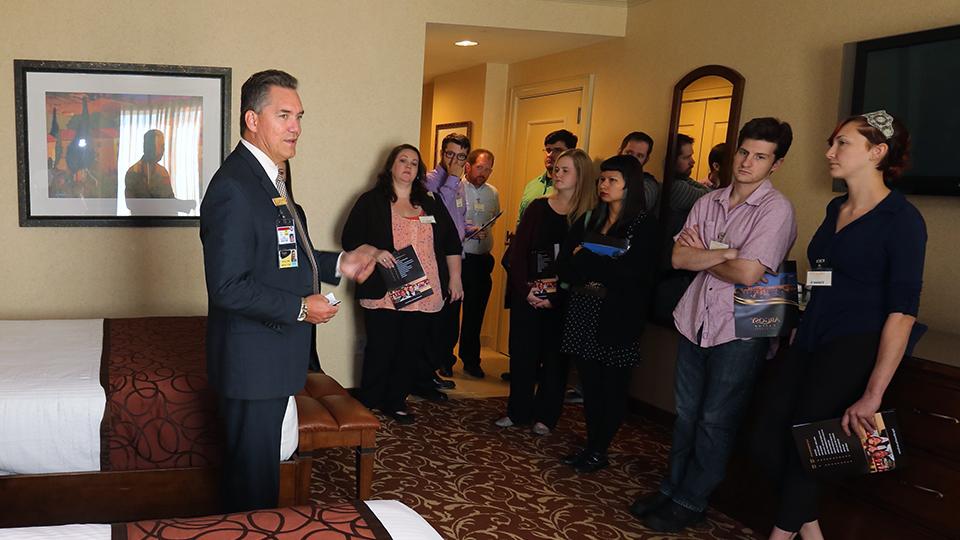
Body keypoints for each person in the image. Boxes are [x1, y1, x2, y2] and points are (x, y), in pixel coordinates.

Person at [200, 69, 376, 513]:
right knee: (251, 488)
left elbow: (284, 251)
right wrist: (300, 308)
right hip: (251, 364)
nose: (295, 127)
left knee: (260, 481)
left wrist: (340, 262)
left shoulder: (271, 177)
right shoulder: (234, 188)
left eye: (299, 116)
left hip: (271, 362)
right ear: (252, 120)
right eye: (284, 115)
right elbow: (227, 286)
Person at [754, 111, 925, 540]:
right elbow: (824, 271)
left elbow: (903, 312)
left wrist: (873, 394)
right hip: (812, 335)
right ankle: (810, 529)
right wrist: (798, 316)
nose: (830, 152)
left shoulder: (902, 221)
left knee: (809, 446)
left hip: (855, 344)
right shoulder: (836, 208)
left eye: (842, 144)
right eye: (832, 143)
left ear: (877, 152)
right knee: (764, 436)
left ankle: (782, 534)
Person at [632, 117, 797, 533]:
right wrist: (730, 254)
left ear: (775, 165)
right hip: (695, 319)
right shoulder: (708, 201)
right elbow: (677, 258)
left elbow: (748, 275)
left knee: (715, 420)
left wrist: (711, 255)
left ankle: (693, 498)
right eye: (743, 152)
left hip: (740, 329)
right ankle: (673, 488)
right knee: (686, 415)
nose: (746, 162)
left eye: (760, 157)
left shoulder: (776, 210)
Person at [341, 144, 463, 425]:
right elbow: (350, 239)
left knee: (410, 348)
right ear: (391, 166)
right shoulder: (371, 201)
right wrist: (374, 251)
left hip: (422, 290)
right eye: (402, 160)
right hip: (384, 290)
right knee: (381, 346)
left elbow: (451, 243)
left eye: (414, 162)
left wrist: (455, 278)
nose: (408, 166)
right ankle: (370, 400)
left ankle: (396, 400)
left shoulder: (430, 202)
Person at [558, 155, 658, 473]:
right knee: (590, 384)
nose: (604, 185)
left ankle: (600, 448)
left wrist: (589, 260)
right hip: (584, 309)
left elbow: (633, 276)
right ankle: (591, 444)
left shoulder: (644, 226)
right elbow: (568, 265)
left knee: (611, 387)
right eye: (602, 179)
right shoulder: (592, 220)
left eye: (612, 180)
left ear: (629, 185)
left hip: (618, 316)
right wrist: (596, 263)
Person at [495, 148, 596, 436]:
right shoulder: (538, 208)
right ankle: (518, 412)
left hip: (562, 302)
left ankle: (546, 416)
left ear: (581, 176)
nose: (558, 174)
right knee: (523, 356)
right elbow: (516, 254)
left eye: (566, 170)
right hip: (528, 295)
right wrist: (527, 290)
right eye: (557, 169)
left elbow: (585, 264)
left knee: (555, 361)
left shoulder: (588, 217)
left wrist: (556, 296)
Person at [424, 133, 470, 381]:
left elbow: (457, 216)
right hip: (436, 259)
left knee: (452, 318)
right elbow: (438, 211)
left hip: (458, 257)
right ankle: (428, 370)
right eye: (450, 154)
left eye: (461, 156)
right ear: (441, 153)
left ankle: (443, 362)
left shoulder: (461, 183)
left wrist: (467, 229)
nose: (455, 161)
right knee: (436, 318)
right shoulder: (429, 181)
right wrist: (451, 179)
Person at [459, 149, 501, 378]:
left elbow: (491, 218)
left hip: (482, 260)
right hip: (460, 260)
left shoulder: (493, 193)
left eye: (487, 169)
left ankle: (471, 359)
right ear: (468, 166)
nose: (483, 173)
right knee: (451, 312)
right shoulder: (456, 188)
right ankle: (444, 359)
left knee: (475, 313)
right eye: (479, 168)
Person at [516, 129, 579, 222]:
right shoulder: (532, 185)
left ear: (571, 153)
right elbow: (520, 221)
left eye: (557, 150)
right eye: (548, 150)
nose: (550, 155)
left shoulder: (575, 188)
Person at [618, 131, 661, 215]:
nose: (633, 159)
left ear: (646, 159)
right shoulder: (605, 177)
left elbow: (636, 206)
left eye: (640, 156)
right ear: (620, 152)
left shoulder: (649, 184)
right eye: (629, 153)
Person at [125, 129, 175, 198]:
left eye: (163, 147)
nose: (163, 150)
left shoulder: (163, 172)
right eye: (161, 146)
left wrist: (185, 204)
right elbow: (130, 203)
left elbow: (170, 199)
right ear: (149, 147)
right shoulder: (133, 172)